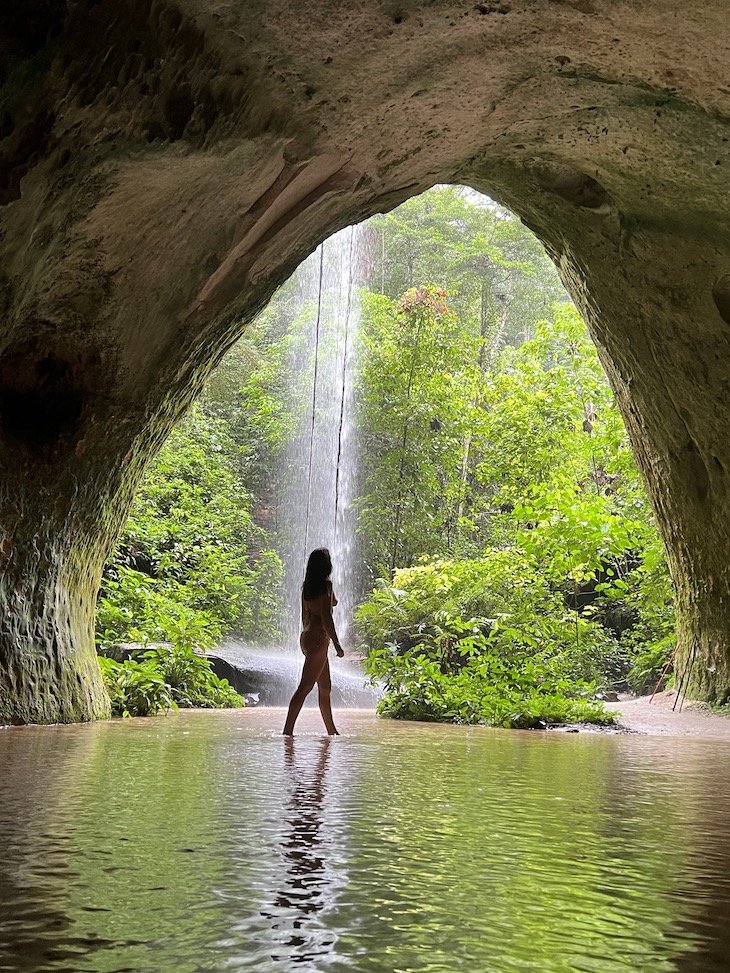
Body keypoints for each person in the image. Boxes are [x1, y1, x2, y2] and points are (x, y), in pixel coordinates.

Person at [283, 547, 344, 736]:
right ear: (327, 566)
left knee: (325, 687)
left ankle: (332, 732)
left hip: (307, 637)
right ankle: (287, 733)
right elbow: (327, 616)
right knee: (305, 687)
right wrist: (337, 643)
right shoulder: (326, 585)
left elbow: (327, 605)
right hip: (319, 639)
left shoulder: (307, 586)